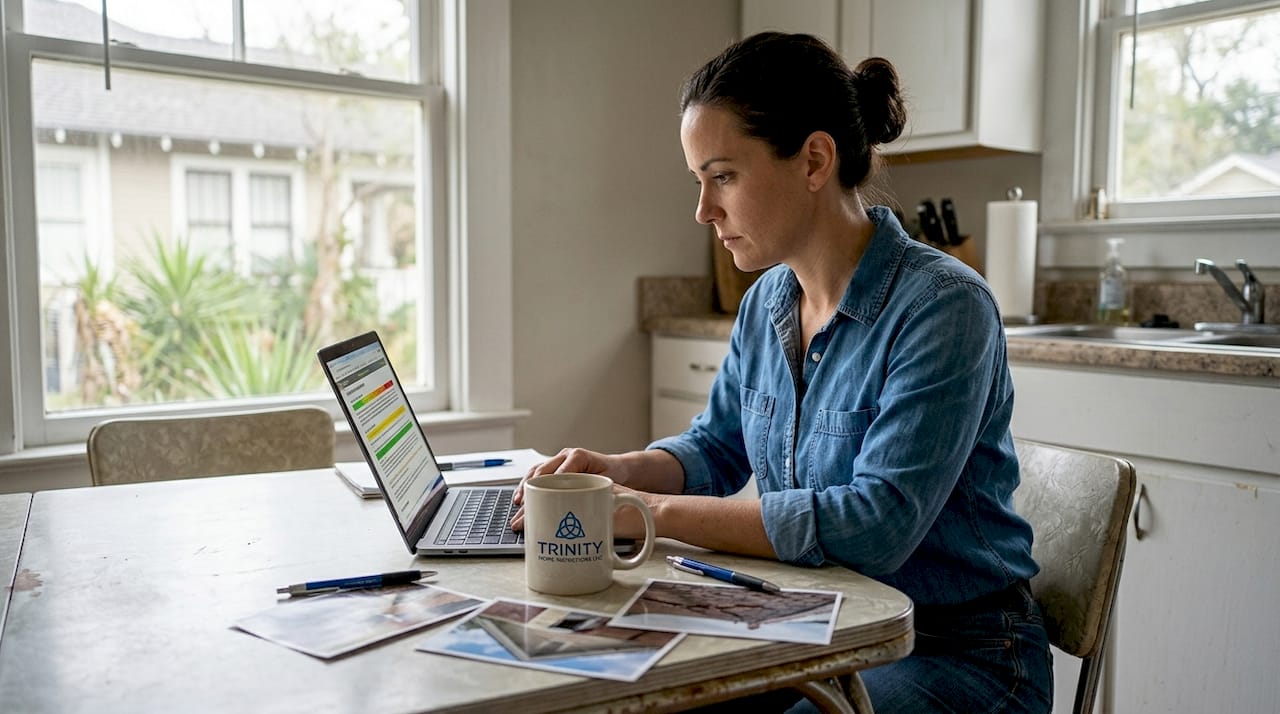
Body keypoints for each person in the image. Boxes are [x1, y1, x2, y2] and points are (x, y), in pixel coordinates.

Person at [512, 31, 1051, 713]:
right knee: (621, 686)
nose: (704, 210)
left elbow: (876, 524)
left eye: (724, 176)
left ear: (815, 160)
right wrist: (618, 471)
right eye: (699, 181)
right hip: (815, 620)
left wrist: (650, 515)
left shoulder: (944, 307)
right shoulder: (769, 299)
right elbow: (716, 446)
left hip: (955, 649)